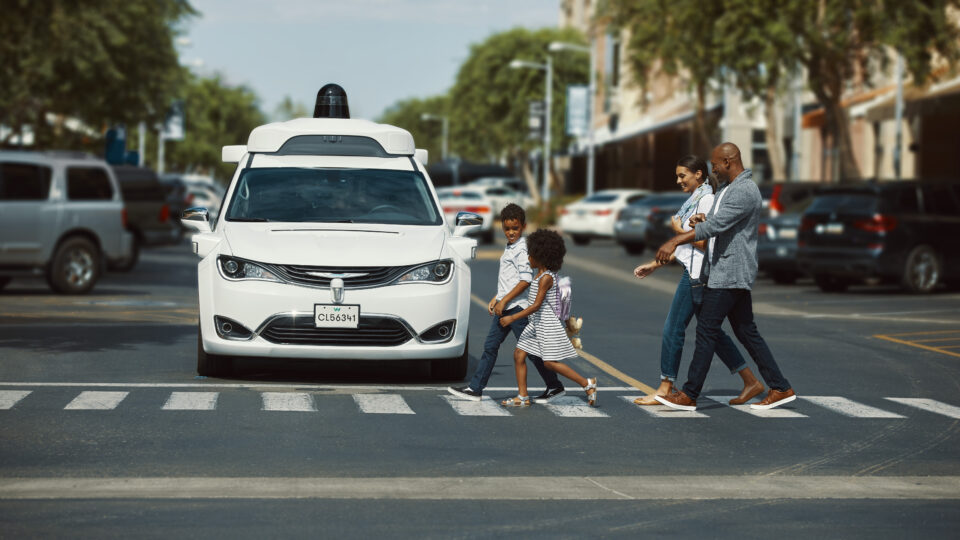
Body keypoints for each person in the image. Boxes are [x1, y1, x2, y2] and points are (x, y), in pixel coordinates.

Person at [655, 143, 796, 411]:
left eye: (716, 163)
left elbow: (717, 226)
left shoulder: (744, 190)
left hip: (730, 272)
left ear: (729, 161)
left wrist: (676, 240)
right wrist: (701, 219)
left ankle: (689, 393)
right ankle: (780, 387)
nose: (713, 168)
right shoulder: (731, 189)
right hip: (729, 270)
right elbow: (720, 222)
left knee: (707, 330)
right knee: (746, 331)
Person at [632, 156, 763, 406]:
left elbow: (706, 244)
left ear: (699, 175)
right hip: (692, 270)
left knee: (673, 328)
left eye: (683, 175)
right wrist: (654, 265)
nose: (678, 180)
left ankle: (665, 387)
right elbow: (686, 248)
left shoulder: (707, 199)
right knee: (710, 332)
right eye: (678, 176)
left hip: (699, 274)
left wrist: (679, 232)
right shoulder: (695, 199)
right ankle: (751, 381)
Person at [447, 204, 565, 403]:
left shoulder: (522, 249)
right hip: (506, 305)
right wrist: (497, 297)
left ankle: (554, 385)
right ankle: (475, 389)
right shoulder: (510, 246)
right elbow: (509, 279)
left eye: (515, 228)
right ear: (502, 226)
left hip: (517, 308)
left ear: (523, 226)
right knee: (491, 347)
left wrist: (506, 300)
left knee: (531, 352)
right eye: (507, 228)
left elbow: (525, 280)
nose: (511, 232)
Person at [499, 229, 598, 407]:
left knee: (550, 363)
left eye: (530, 254)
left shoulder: (546, 278)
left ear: (541, 256)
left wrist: (512, 318)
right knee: (518, 355)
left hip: (546, 323)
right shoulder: (539, 275)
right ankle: (522, 397)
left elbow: (536, 305)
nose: (528, 257)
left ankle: (586, 383)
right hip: (536, 323)